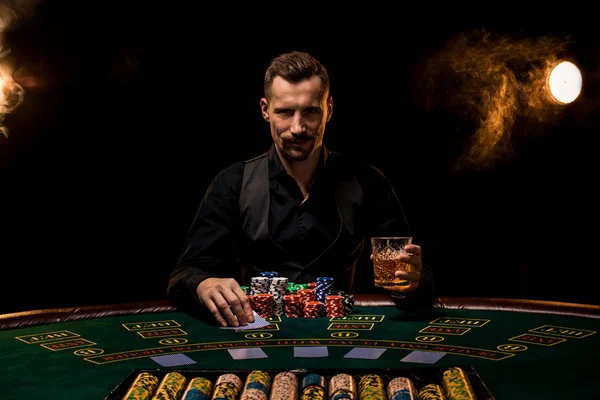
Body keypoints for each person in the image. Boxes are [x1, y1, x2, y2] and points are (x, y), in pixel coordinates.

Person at [168, 51, 434, 327]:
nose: (298, 127)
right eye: (285, 112)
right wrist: (203, 284)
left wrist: (412, 283)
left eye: (310, 111)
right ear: (265, 110)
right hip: (257, 333)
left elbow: (413, 277)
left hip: (341, 335)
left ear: (328, 109)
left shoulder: (368, 182)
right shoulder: (232, 182)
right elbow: (185, 274)